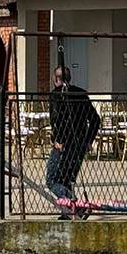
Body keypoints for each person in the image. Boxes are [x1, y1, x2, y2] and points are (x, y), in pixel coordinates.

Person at [46, 65, 101, 218]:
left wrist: (58, 140)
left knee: (52, 180)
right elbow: (95, 119)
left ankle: (76, 206)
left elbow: (57, 119)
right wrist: (89, 140)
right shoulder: (81, 93)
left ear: (57, 79)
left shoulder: (56, 95)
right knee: (67, 179)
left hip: (64, 144)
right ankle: (68, 212)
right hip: (80, 143)